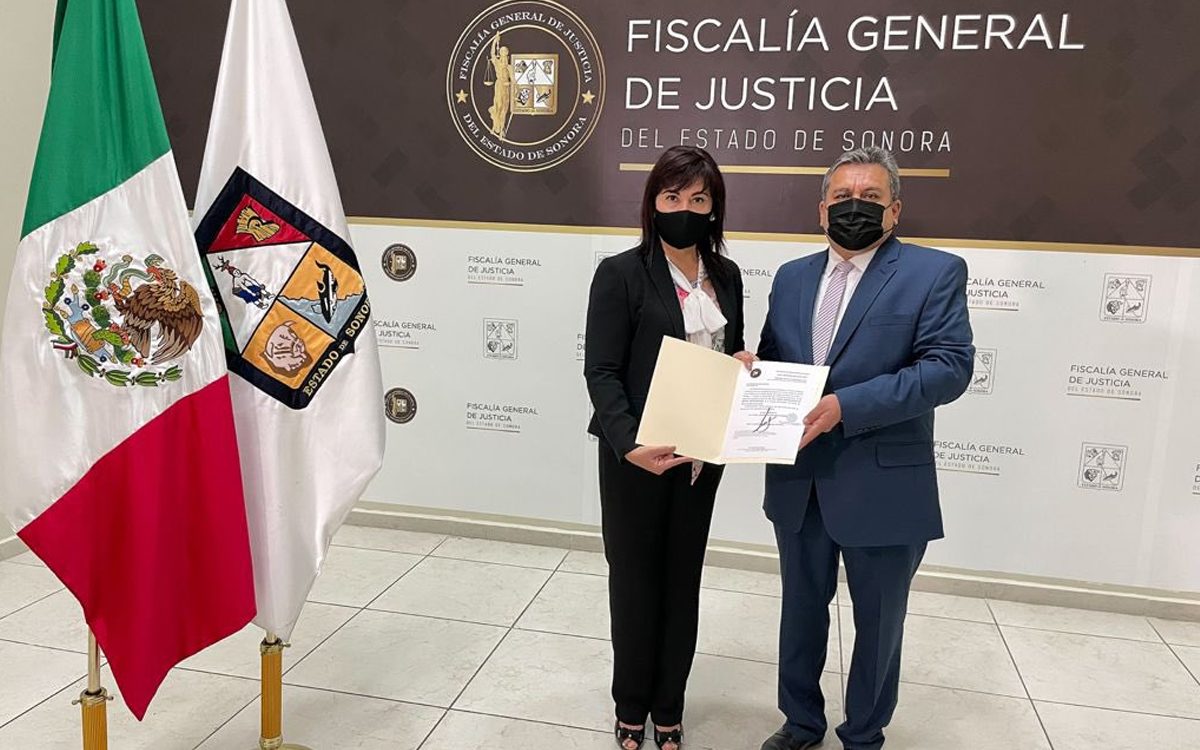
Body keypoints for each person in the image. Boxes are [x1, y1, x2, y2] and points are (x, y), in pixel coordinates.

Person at [755, 147, 974, 750]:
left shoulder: (934, 272)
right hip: (798, 480)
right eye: (842, 197)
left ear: (894, 210)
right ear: (821, 209)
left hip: (884, 483)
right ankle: (801, 722)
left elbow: (948, 369)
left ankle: (864, 734)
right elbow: (777, 358)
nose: (855, 207)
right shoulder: (792, 276)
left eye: (871, 198)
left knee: (878, 623)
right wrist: (753, 372)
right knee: (800, 611)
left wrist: (847, 406)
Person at [585, 145, 753, 750]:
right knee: (634, 582)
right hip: (636, 458)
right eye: (672, 196)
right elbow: (602, 371)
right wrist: (629, 443)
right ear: (653, 204)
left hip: (701, 458)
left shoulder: (728, 277)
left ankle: (669, 705)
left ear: (714, 209)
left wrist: (742, 364)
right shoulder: (621, 273)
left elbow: (730, 352)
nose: (685, 208)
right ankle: (631, 705)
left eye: (698, 199)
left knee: (682, 583)